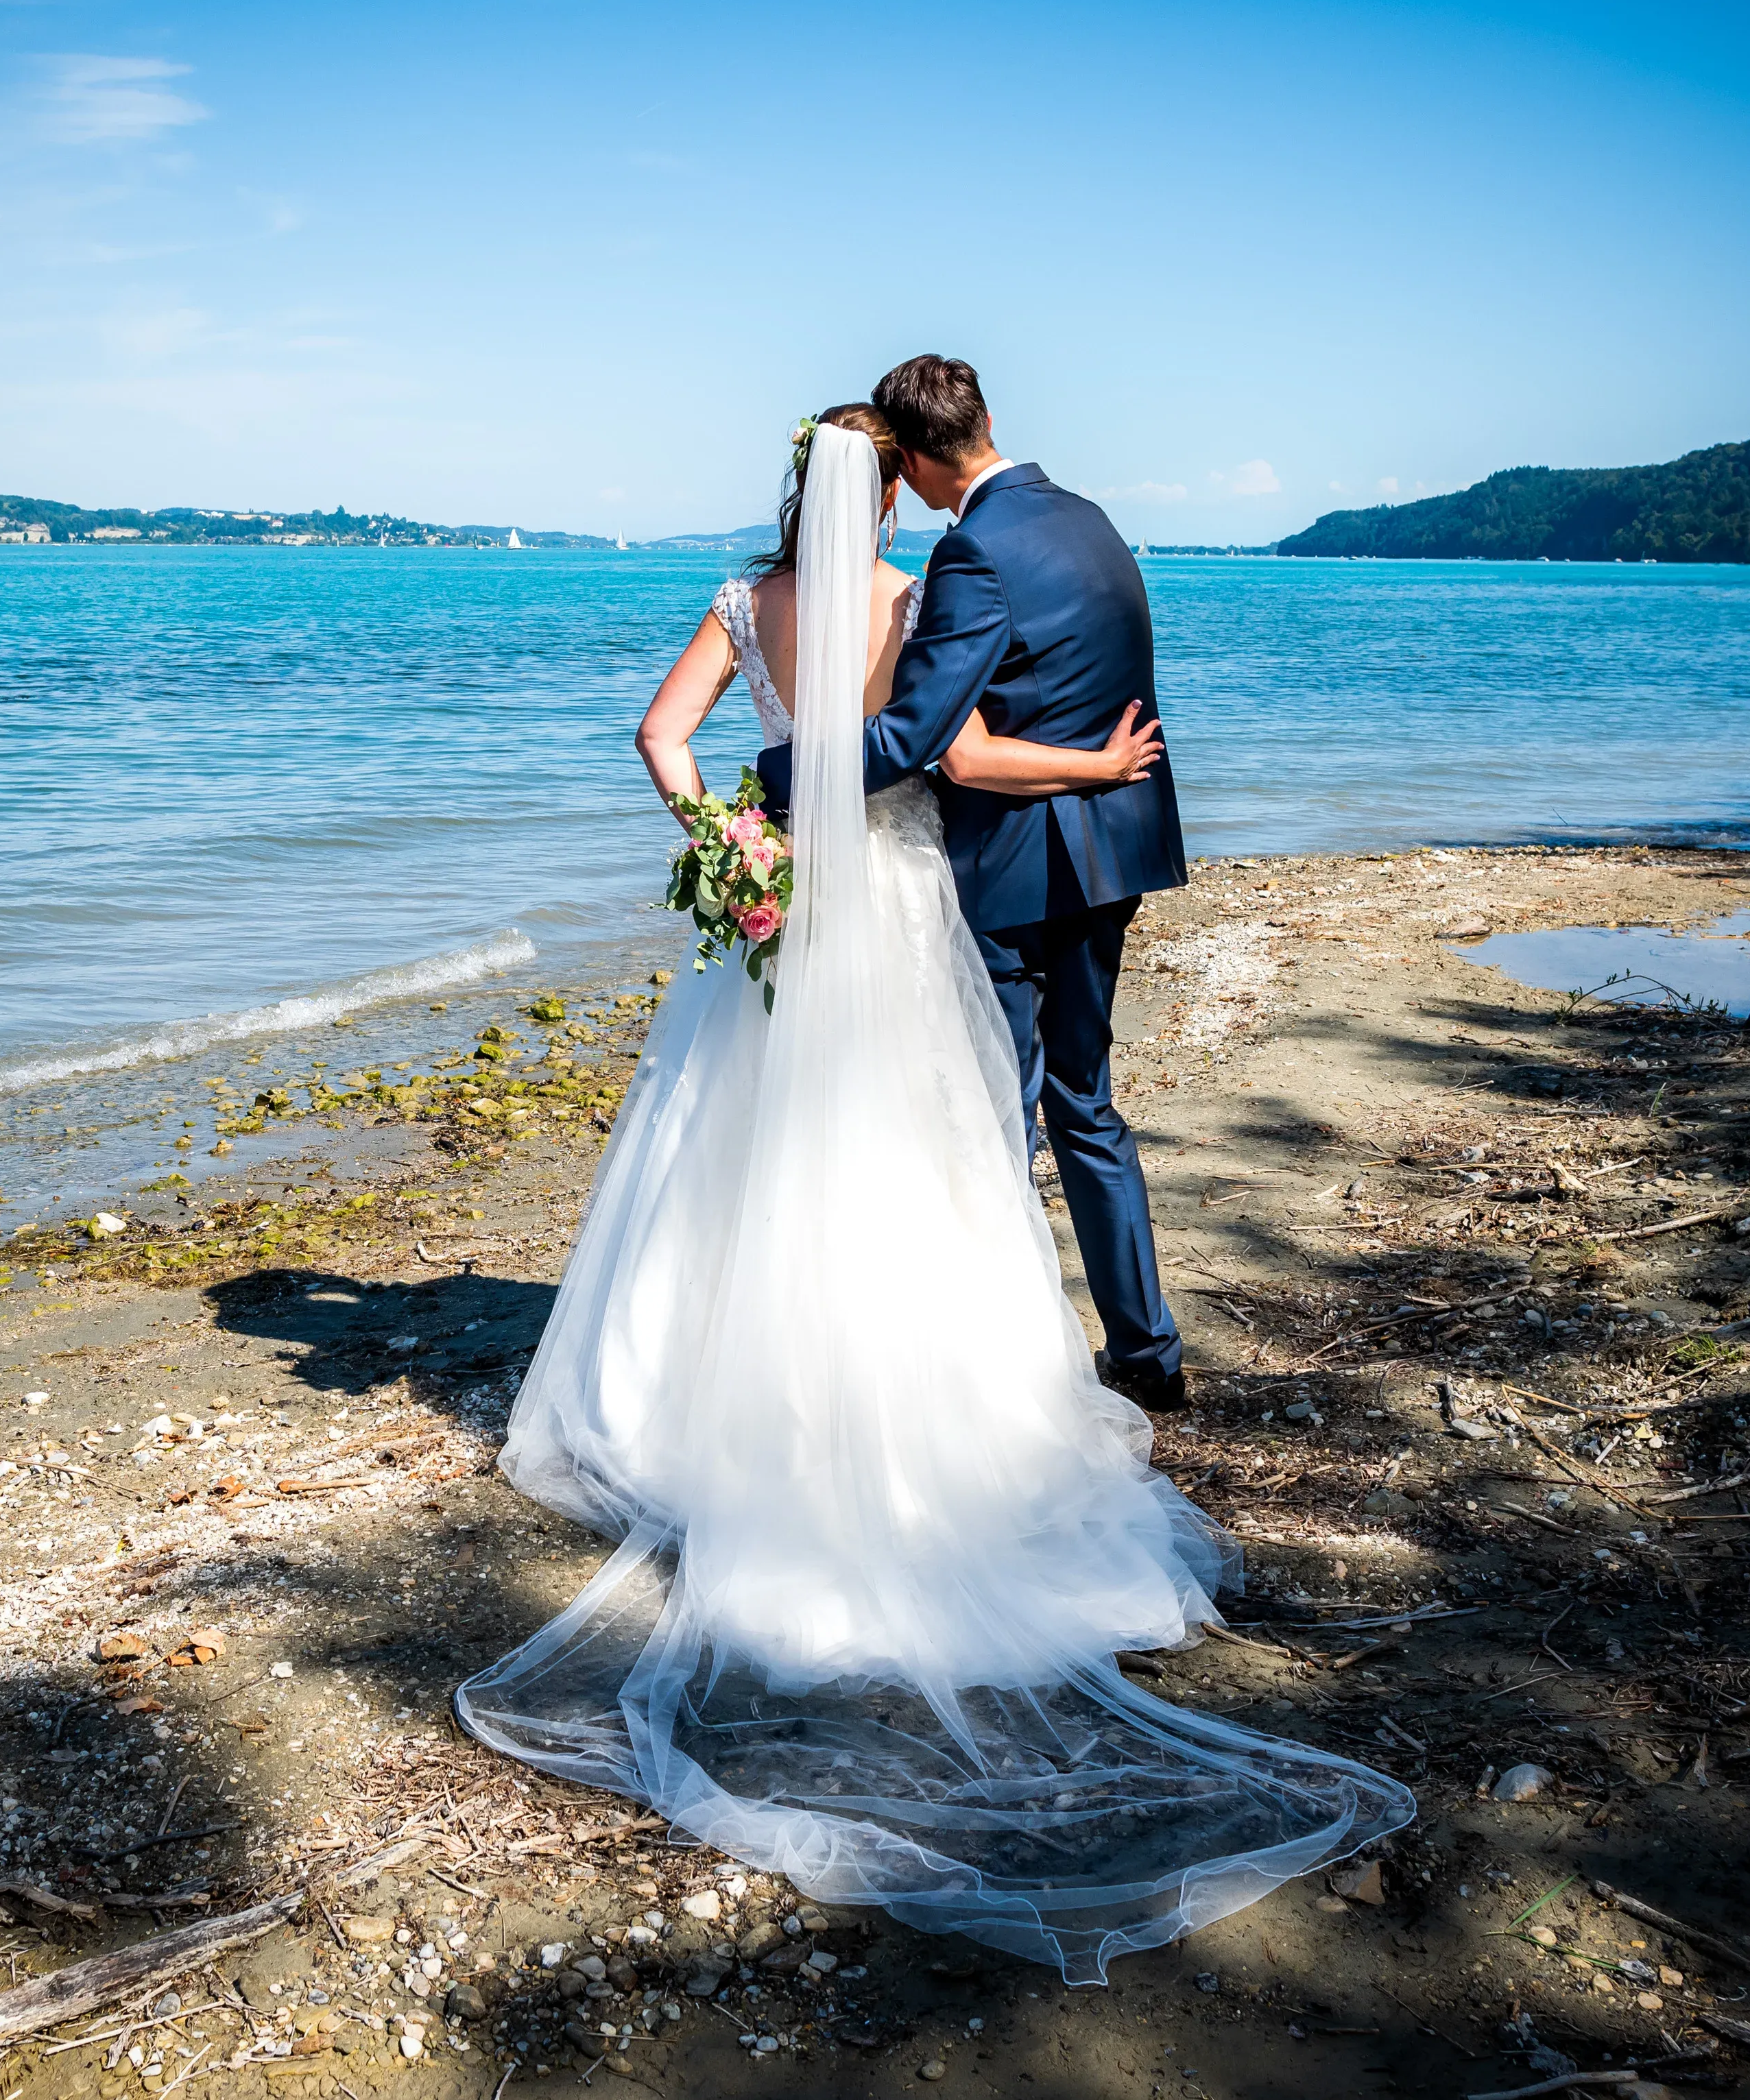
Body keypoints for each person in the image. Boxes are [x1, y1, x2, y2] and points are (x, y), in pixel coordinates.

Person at [453, 404, 1411, 1986]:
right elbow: (947, 756)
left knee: (730, 1141)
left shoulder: (735, 602)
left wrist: (734, 847)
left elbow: (657, 742)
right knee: (916, 1147)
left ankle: (690, 1391)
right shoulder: (909, 598)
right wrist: (1096, 758)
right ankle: (919, 1377)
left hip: (776, 900)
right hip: (893, 899)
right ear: (882, 488)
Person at [757, 356, 1192, 1410]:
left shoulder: (974, 557)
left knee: (994, 1109)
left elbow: (919, 738)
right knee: (1086, 1102)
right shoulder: (1089, 518)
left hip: (1016, 873)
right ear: (989, 419)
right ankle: (1147, 1352)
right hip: (1118, 847)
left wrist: (780, 777)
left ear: (906, 459)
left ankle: (1007, 1364)